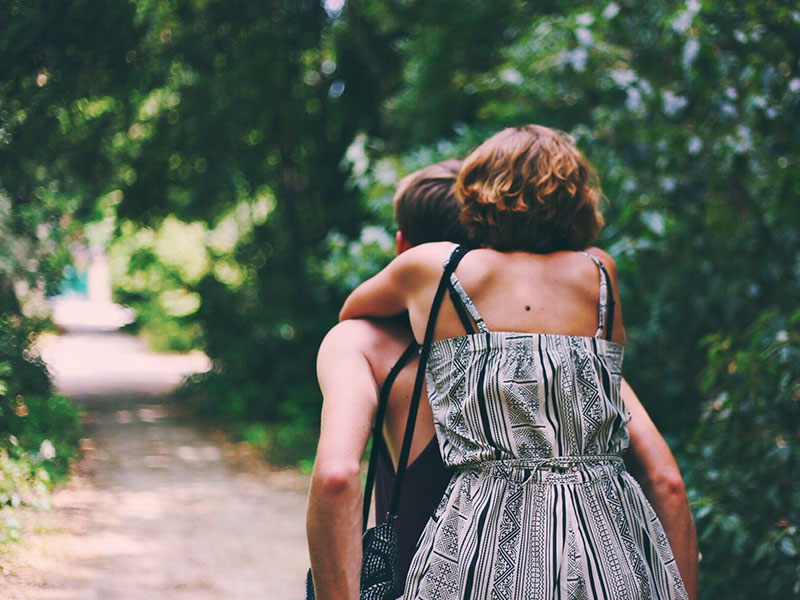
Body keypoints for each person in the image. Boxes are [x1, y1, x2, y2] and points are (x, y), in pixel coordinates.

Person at [338, 125, 692, 598]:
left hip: (482, 541)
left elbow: (353, 311)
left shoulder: (434, 268)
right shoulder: (598, 272)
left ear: (478, 194)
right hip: (607, 540)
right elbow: (662, 477)